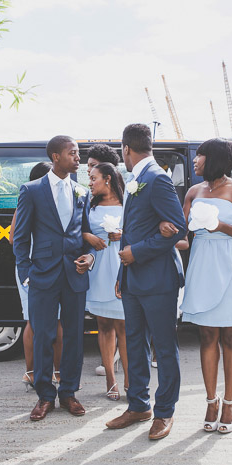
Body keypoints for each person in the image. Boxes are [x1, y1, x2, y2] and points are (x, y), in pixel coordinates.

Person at [169, 138, 232, 435]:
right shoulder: (194, 192)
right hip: (202, 264)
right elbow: (182, 235)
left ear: (215, 159)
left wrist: (221, 227)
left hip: (231, 263)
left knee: (231, 337)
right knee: (207, 335)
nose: (195, 161)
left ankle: (230, 401)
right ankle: (211, 401)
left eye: (200, 156)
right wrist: (168, 234)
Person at [106, 123, 186, 441]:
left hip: (158, 279)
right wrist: (121, 273)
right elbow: (133, 230)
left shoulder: (156, 178)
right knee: (134, 345)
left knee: (163, 349)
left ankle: (164, 412)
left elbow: (178, 228)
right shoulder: (136, 179)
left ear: (126, 149)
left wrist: (135, 254)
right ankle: (139, 405)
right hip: (133, 279)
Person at [13, 135, 95, 421]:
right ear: (55, 156)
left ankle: (69, 393)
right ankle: (45, 396)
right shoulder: (31, 190)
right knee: (44, 336)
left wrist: (90, 257)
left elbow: (84, 235)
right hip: (42, 275)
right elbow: (20, 238)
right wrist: (25, 274)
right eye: (73, 153)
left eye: (78, 153)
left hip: (75, 274)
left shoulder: (82, 192)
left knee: (74, 337)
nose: (78, 158)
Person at [10, 161, 62, 388]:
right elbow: (14, 238)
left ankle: (36, 372)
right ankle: (48, 372)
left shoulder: (29, 200)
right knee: (45, 321)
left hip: (36, 266)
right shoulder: (33, 198)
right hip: (33, 268)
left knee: (36, 320)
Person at [83, 162, 128, 400]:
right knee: (104, 325)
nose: (89, 183)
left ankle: (130, 380)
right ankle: (111, 380)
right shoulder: (87, 206)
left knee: (124, 327)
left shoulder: (127, 203)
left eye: (93, 178)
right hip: (98, 267)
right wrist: (88, 236)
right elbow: (75, 230)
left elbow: (141, 231)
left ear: (108, 179)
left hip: (122, 266)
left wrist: (123, 235)